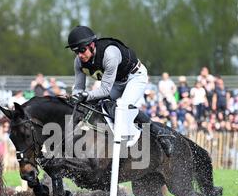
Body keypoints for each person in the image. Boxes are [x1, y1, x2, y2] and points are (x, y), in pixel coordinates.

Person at [65, 25, 172, 155]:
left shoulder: (110, 54)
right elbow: (79, 88)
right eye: (76, 52)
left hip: (135, 76)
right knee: (98, 104)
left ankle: (160, 133)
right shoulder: (78, 62)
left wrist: (84, 95)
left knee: (123, 107)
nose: (80, 55)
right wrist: (76, 98)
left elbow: (104, 90)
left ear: (92, 45)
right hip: (116, 82)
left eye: (82, 50)